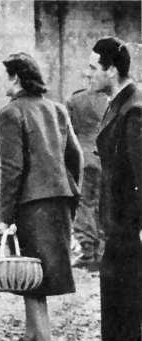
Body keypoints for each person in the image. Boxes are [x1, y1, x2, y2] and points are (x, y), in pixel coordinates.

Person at [0, 52, 82, 341]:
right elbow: (76, 158)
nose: (4, 82)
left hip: (32, 205)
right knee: (34, 271)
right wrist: (71, 194)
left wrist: (6, 213)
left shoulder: (10, 113)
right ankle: (30, 337)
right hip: (60, 199)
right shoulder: (57, 109)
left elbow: (12, 169)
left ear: (16, 79)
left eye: (7, 76)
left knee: (33, 277)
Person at [86, 37, 142, 341]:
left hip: (130, 219)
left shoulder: (134, 109)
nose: (88, 74)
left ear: (112, 70)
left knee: (129, 286)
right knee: (114, 282)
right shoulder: (117, 102)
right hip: (117, 217)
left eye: (93, 68)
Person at [67, 79, 109, 270]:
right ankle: (102, 250)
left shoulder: (75, 99)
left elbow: (67, 132)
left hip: (82, 158)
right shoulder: (109, 100)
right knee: (103, 202)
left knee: (84, 203)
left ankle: (87, 250)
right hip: (104, 157)